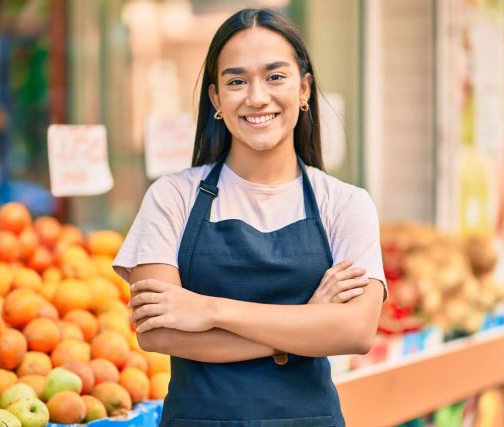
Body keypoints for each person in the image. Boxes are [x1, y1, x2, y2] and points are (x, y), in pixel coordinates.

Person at [113, 8, 387, 427]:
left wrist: (209, 311)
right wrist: (303, 327)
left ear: (304, 89)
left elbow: (356, 332)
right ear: (216, 100)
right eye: (236, 81)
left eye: (275, 76)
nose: (257, 97)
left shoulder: (345, 204)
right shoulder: (172, 197)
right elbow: (158, 332)